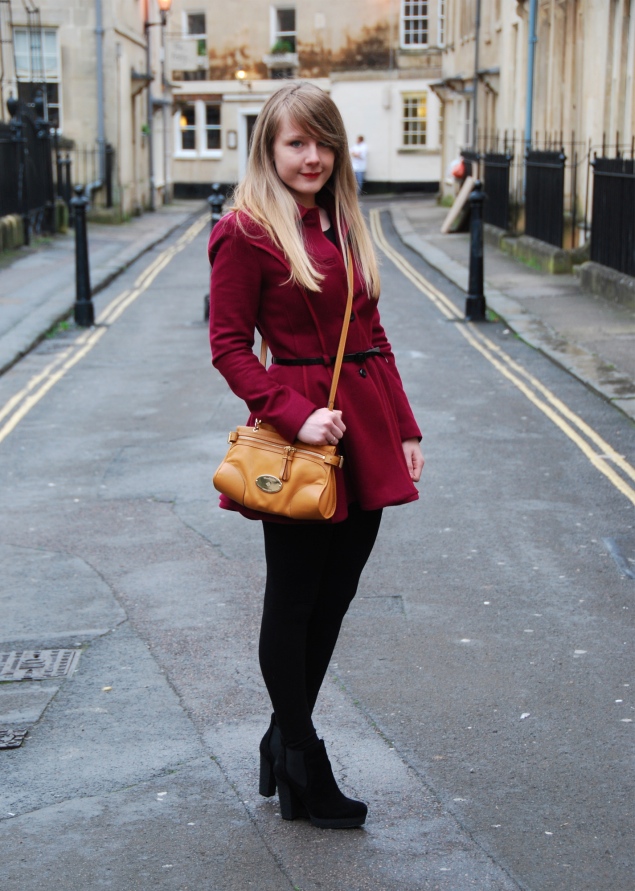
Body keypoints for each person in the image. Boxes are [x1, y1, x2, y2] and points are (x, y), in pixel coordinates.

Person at [208, 82, 424, 830]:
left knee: (334, 599)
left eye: (322, 141)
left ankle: (281, 734)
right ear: (269, 148)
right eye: (296, 142)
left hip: (364, 426)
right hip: (305, 435)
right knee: (294, 598)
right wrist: (295, 417)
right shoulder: (245, 231)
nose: (311, 156)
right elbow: (229, 348)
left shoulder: (342, 223)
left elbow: (374, 332)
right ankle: (303, 755)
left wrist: (404, 427)